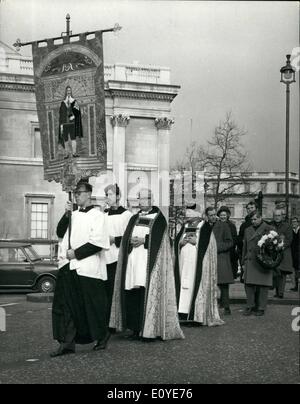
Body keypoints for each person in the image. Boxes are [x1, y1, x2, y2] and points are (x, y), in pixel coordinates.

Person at [109, 188, 184, 341]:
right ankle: (135, 329)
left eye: (145, 199)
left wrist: (145, 241)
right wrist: (129, 240)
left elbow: (163, 241)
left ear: (151, 199)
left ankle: (148, 330)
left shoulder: (159, 218)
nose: (142, 202)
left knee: (146, 294)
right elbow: (126, 237)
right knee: (133, 295)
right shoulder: (134, 217)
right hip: (132, 262)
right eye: (140, 199)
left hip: (149, 263)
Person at [51, 181, 110, 357]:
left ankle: (102, 336)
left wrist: (76, 253)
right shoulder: (73, 214)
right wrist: (66, 213)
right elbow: (60, 232)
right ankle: (67, 343)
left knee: (91, 306)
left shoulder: (97, 215)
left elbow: (97, 243)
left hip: (88, 267)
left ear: (89, 194)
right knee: (67, 305)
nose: (76, 195)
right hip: (68, 266)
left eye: (79, 193)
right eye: (75, 193)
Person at [174, 206, 224, 326]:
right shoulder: (185, 226)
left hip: (198, 264)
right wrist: (180, 243)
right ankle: (183, 313)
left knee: (193, 285)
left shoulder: (204, 226)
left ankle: (196, 315)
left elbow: (208, 247)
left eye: (189, 214)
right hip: (184, 262)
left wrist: (195, 243)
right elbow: (176, 242)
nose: (187, 217)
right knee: (183, 286)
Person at [104, 184, 133, 328]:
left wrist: (114, 239)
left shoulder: (127, 215)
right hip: (105, 258)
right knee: (106, 292)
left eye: (109, 194)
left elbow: (130, 238)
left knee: (117, 290)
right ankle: (108, 321)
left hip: (119, 257)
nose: (107, 198)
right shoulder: (104, 215)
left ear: (118, 196)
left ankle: (118, 322)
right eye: (106, 195)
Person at [242, 211, 274, 316]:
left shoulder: (269, 229)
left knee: (263, 286)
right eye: (251, 220)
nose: (253, 221)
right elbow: (245, 247)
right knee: (248, 285)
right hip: (250, 260)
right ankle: (250, 306)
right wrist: (243, 261)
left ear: (261, 218)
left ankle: (261, 307)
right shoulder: (247, 230)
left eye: (255, 219)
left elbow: (275, 247)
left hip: (263, 261)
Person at [206, 207, 234, 315]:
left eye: (214, 215)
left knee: (223, 284)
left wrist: (216, 247)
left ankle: (226, 307)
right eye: (211, 215)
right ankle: (210, 306)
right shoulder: (204, 227)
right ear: (207, 216)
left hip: (221, 257)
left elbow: (230, 242)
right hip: (208, 259)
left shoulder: (224, 225)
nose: (213, 217)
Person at [270, 209, 294, 298]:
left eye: (279, 215)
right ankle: (277, 290)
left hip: (284, 252)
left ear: (282, 216)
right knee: (275, 272)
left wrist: (281, 246)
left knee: (282, 273)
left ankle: (280, 292)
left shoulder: (287, 226)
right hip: (273, 253)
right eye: (275, 215)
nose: (277, 217)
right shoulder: (270, 225)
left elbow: (289, 239)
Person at [58, 85, 83, 158]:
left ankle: (74, 153)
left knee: (73, 138)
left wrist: (73, 116)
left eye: (69, 91)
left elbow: (78, 112)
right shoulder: (63, 103)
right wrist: (61, 124)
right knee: (65, 139)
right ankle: (66, 154)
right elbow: (61, 113)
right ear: (65, 92)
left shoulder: (74, 101)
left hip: (72, 123)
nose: (68, 92)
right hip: (65, 123)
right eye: (67, 91)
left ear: (71, 92)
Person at [237, 201, 257, 282]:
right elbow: (240, 239)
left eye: (252, 208)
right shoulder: (244, 225)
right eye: (248, 208)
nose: (250, 210)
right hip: (246, 254)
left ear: (256, 209)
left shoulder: (262, 223)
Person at [217, 206, 239, 279]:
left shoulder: (231, 226)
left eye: (224, 215)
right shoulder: (216, 225)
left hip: (229, 252)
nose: (223, 217)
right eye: (221, 215)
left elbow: (234, 239)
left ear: (227, 216)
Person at [290, 217, 300, 292]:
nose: (293, 223)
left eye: (295, 222)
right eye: (292, 222)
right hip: (294, 254)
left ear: (298, 222)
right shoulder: (291, 231)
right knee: (296, 270)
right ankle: (296, 286)